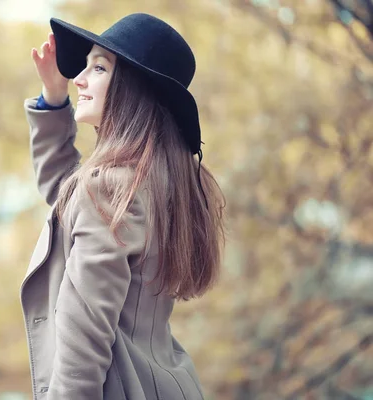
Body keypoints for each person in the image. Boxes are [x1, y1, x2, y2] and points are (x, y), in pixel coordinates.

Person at [20, 13, 226, 400]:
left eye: (98, 68)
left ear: (132, 87)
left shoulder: (108, 192)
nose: (79, 78)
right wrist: (53, 99)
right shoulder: (162, 184)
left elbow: (84, 346)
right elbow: (68, 198)